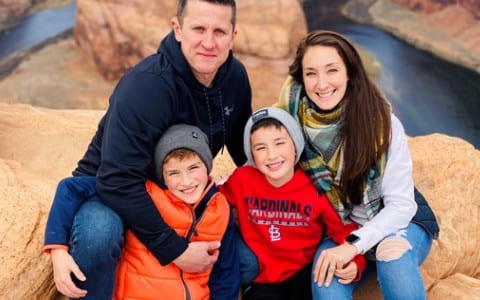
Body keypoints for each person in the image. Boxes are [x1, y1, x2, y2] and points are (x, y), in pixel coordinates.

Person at [43, 0, 252, 298]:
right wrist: (176, 251)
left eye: (219, 31)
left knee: (246, 260)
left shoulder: (234, 78)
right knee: (99, 234)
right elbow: (116, 181)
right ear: (177, 29)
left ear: (233, 35)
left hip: (180, 195)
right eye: (198, 29)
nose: (209, 42)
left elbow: (243, 149)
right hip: (111, 193)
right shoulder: (147, 87)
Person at [275, 30, 440, 300]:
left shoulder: (380, 122)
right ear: (301, 78)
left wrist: (354, 247)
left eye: (332, 71)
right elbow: (263, 159)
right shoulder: (290, 120)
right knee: (326, 280)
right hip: (338, 226)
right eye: (311, 73)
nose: (322, 83)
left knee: (393, 258)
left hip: (393, 220)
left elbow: (401, 205)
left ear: (349, 72)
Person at [44, 124, 239, 299]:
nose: (186, 181)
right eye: (174, 173)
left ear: (208, 167)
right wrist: (58, 249)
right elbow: (70, 187)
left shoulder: (220, 208)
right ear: (162, 175)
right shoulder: (143, 193)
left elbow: (225, 274)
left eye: (193, 168)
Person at [219, 107, 367, 300]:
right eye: (261, 148)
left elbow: (343, 229)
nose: (272, 155)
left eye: (279, 143)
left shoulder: (316, 185)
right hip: (262, 278)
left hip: (303, 272)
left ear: (295, 145)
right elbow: (216, 201)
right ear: (251, 154)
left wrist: (357, 262)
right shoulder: (242, 180)